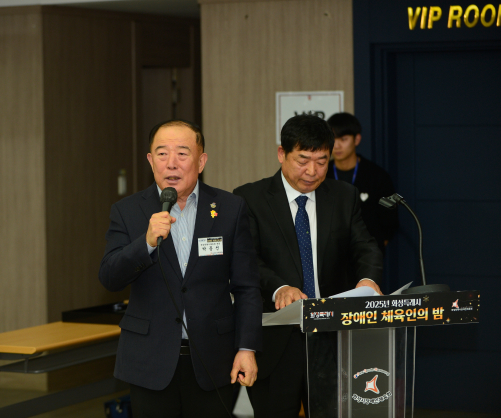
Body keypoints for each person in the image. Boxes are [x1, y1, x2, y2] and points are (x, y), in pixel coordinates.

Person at [99, 120, 263, 418]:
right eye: (162, 154)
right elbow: (110, 277)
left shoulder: (230, 207)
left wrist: (246, 348)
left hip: (214, 360)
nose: (171, 163)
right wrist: (146, 243)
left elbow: (247, 287)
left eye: (182, 154)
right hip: (150, 361)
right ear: (150, 161)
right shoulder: (127, 211)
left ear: (201, 161)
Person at [233, 114, 383, 418]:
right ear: (281, 153)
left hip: (331, 337)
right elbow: (246, 259)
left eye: (322, 161)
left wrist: (367, 280)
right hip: (276, 341)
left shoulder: (343, 196)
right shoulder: (250, 198)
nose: (312, 171)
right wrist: (280, 286)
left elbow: (365, 246)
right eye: (303, 160)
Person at [326, 112, 398, 253]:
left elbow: (391, 219)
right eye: (332, 139)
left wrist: (376, 247)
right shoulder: (320, 174)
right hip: (329, 254)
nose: (337, 145)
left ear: (357, 139)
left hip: (366, 254)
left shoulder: (377, 176)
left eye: (343, 139)